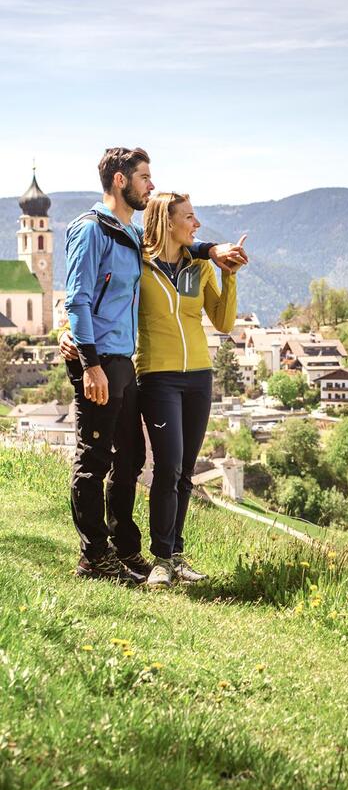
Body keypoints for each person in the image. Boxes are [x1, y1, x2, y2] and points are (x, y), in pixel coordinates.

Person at [61, 147, 247, 584]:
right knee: (110, 462)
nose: (150, 182)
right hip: (123, 368)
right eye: (144, 176)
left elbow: (215, 310)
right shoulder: (102, 236)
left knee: (132, 460)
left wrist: (215, 257)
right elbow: (76, 295)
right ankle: (103, 556)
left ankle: (132, 551)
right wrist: (76, 346)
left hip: (147, 366)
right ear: (122, 181)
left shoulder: (131, 238)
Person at [136, 192, 242, 586]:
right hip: (157, 375)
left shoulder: (201, 267)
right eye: (190, 218)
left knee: (185, 473)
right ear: (167, 222)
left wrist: (228, 273)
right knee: (168, 465)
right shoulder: (139, 265)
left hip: (199, 376)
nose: (196, 225)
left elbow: (225, 322)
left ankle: (176, 556)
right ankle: (160, 560)